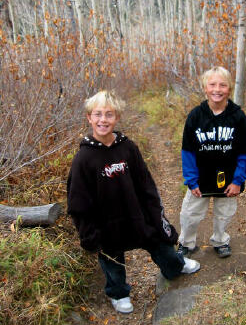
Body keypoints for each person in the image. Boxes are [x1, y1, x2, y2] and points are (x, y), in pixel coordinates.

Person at [67, 90, 200, 314]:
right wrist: (89, 234)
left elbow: (145, 184)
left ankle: (175, 267)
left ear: (117, 117)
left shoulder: (128, 148)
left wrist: (155, 213)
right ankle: (118, 293)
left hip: (137, 214)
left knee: (159, 242)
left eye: (109, 115)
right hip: (106, 224)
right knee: (111, 258)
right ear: (89, 117)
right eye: (98, 114)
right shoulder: (84, 159)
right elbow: (78, 202)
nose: (103, 120)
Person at [177, 66, 246, 259]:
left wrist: (238, 180)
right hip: (200, 179)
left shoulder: (238, 117)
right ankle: (186, 242)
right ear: (205, 87)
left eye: (222, 85)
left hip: (228, 180)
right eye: (212, 84)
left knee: (224, 213)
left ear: (229, 88)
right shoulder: (196, 116)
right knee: (190, 213)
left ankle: (220, 240)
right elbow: (187, 152)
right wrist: (191, 180)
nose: (217, 89)